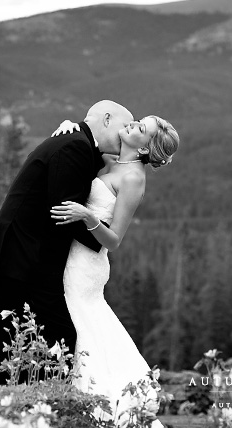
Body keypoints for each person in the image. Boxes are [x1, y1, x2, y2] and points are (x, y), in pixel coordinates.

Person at [0, 100, 134, 385]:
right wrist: (101, 239)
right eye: (124, 126)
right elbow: (61, 210)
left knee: (23, 342)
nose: (125, 134)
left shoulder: (80, 144)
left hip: (24, 257)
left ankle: (26, 409)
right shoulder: (76, 146)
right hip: (22, 259)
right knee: (32, 341)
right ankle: (20, 410)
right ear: (107, 119)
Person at [50, 115, 179, 426]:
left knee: (80, 326)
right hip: (70, 255)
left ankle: (91, 407)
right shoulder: (112, 159)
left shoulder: (133, 178)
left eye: (141, 129)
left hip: (86, 262)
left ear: (147, 148)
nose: (133, 124)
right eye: (138, 121)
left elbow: (115, 238)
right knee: (81, 326)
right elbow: (84, 143)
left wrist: (85, 215)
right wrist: (68, 128)